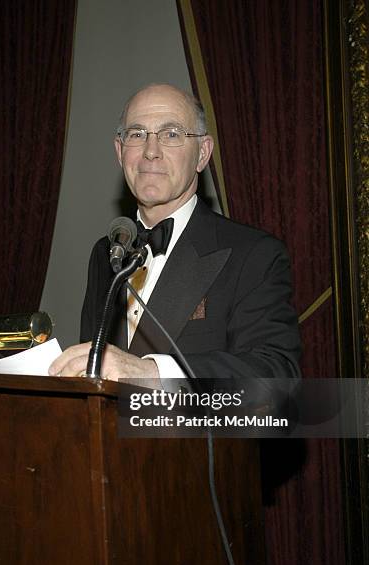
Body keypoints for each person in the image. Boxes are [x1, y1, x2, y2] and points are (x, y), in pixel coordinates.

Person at [49, 83, 300, 381]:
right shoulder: (105, 254)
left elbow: (276, 375)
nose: (150, 151)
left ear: (203, 154)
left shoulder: (254, 254)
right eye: (137, 134)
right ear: (119, 151)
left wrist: (153, 373)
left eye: (171, 134)